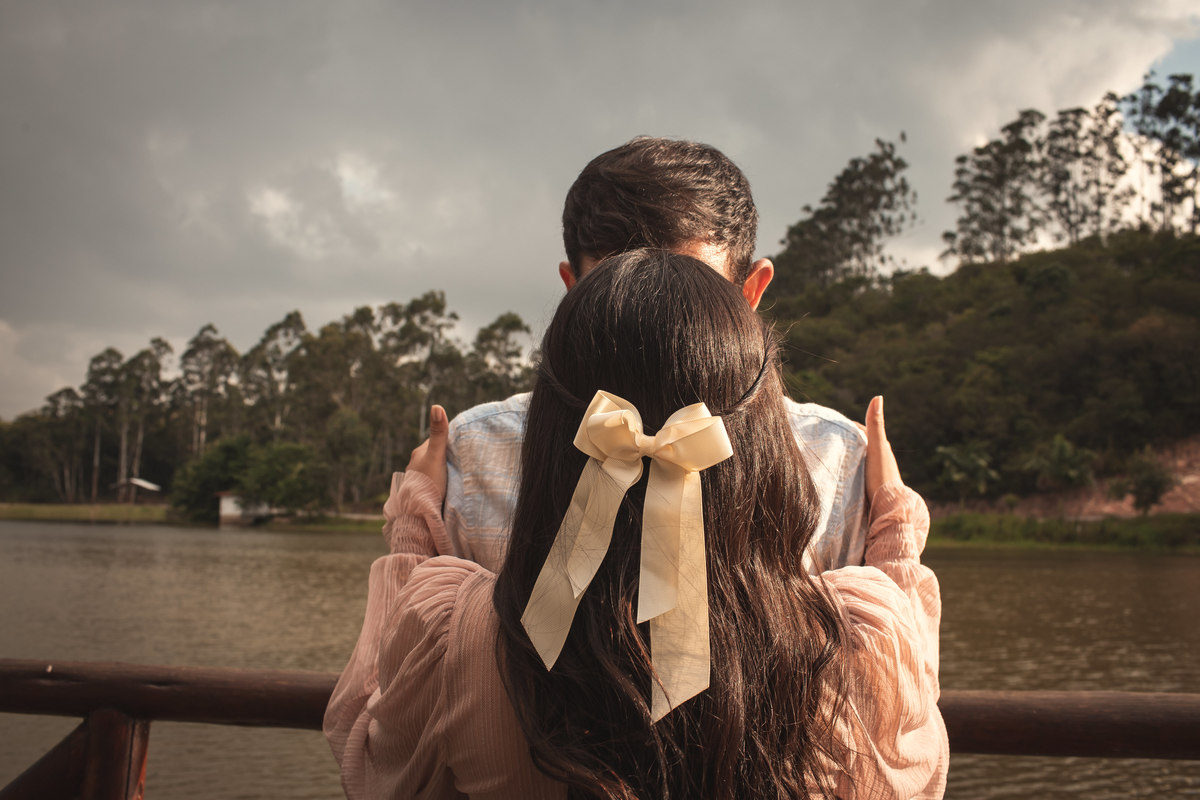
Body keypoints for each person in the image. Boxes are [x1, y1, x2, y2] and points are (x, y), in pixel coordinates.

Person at [325, 251, 947, 799]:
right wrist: (893, 534)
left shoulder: (462, 637)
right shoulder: (845, 644)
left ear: (544, 428)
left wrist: (412, 532)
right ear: (763, 434)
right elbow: (913, 772)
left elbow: (371, 760)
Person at [440, 137, 867, 575]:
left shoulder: (837, 458)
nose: (656, 323)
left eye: (694, 294)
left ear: (750, 292)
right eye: (622, 294)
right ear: (574, 292)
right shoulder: (476, 452)